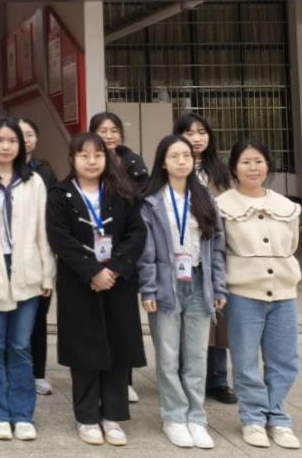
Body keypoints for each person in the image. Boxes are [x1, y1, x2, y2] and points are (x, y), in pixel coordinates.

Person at [46, 133, 146, 447]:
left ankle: (112, 416)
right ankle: (87, 416)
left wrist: (113, 268)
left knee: (118, 346)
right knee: (85, 349)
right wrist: (93, 271)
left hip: (117, 282)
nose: (91, 161)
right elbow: (59, 238)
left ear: (107, 158)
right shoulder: (60, 194)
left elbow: (136, 232)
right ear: (72, 159)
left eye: (98, 155)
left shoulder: (122, 191)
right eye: (84, 155)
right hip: (79, 283)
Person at [0, 118, 54, 443]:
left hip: (27, 269)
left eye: (12, 141)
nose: (6, 146)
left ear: (21, 145)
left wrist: (47, 273)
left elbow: (43, 231)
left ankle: (22, 413)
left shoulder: (34, 181)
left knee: (20, 345)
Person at [137, 135, 226, 449]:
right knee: (168, 354)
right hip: (166, 283)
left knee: (197, 355)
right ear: (162, 162)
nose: (181, 161)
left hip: (199, 281)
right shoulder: (151, 201)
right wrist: (148, 288)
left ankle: (196, 418)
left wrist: (219, 285)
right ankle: (174, 417)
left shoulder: (204, 198)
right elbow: (145, 251)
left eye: (186, 156)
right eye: (174, 156)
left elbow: (217, 247)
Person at [216, 140, 301, 449]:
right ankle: (253, 418)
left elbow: (291, 246)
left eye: (259, 161)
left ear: (268, 165)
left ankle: (277, 417)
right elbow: (218, 251)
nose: (253, 168)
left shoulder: (286, 206)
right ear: (234, 168)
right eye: (245, 162)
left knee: (285, 359)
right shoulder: (222, 205)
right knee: (245, 360)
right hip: (243, 293)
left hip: (283, 293)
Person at [173, 113, 237, 406]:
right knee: (185, 320)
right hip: (183, 255)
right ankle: (184, 375)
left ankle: (218, 378)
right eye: (189, 132)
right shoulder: (172, 168)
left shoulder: (220, 173)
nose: (196, 138)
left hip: (214, 253)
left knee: (216, 319)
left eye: (201, 132)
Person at [89, 111, 145, 402]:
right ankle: (98, 375)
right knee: (97, 319)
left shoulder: (133, 164)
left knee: (124, 321)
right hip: (94, 255)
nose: (109, 135)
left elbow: (142, 206)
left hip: (125, 253)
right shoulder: (88, 163)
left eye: (114, 130)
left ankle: (125, 379)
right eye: (103, 130)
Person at [17, 118, 57, 398]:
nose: (24, 139)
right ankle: (14, 371)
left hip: (38, 252)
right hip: (10, 255)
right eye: (19, 134)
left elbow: (51, 213)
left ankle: (37, 373)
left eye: (29, 134)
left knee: (38, 317)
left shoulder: (45, 172)